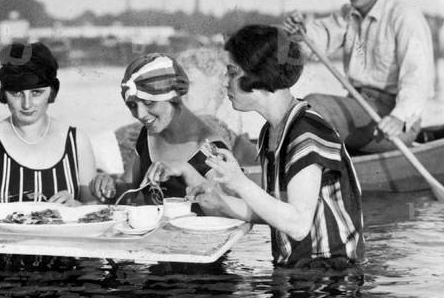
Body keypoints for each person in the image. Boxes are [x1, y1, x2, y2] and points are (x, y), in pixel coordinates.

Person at [148, 25, 364, 269]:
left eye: (232, 72)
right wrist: (219, 202)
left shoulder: (307, 134)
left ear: (259, 75)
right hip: (298, 272)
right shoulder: (272, 131)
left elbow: (298, 224)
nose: (225, 83)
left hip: (332, 277)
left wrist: (239, 182)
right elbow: (276, 213)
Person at [282, 0, 434, 154]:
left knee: (312, 106)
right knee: (296, 110)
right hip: (359, 107)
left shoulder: (405, 17)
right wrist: (299, 33)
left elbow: (418, 79)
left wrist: (399, 117)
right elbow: (316, 40)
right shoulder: (347, 15)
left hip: (394, 121)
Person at [0, 42, 97, 205]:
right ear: (3, 95)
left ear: (51, 92)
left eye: (36, 92)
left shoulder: (77, 141)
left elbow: (93, 208)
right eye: (16, 93)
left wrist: (78, 207)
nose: (27, 104)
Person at [90, 53, 230, 204]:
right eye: (132, 105)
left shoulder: (209, 146)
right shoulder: (149, 135)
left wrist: (186, 170)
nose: (140, 114)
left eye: (149, 103)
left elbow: (226, 206)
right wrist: (109, 186)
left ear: (174, 96)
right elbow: (128, 190)